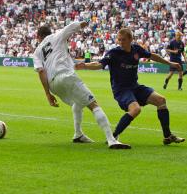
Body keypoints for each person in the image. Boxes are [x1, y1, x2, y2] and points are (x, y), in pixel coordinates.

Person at [75, 28, 185, 146]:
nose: (121, 42)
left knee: (161, 100)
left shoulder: (136, 49)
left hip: (135, 87)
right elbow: (99, 64)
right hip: (121, 90)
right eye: (119, 40)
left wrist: (170, 63)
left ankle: (168, 136)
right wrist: (85, 65)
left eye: (124, 40)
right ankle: (113, 137)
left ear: (130, 39)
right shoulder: (114, 53)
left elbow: (152, 56)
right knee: (136, 109)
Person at [33, 21, 130, 149]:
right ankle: (111, 140)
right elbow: (73, 26)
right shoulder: (57, 36)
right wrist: (85, 23)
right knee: (93, 104)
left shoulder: (37, 52)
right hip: (66, 75)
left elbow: (41, 71)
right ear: (49, 33)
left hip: (53, 85)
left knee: (77, 103)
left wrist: (47, 94)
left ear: (38, 37)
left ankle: (78, 134)